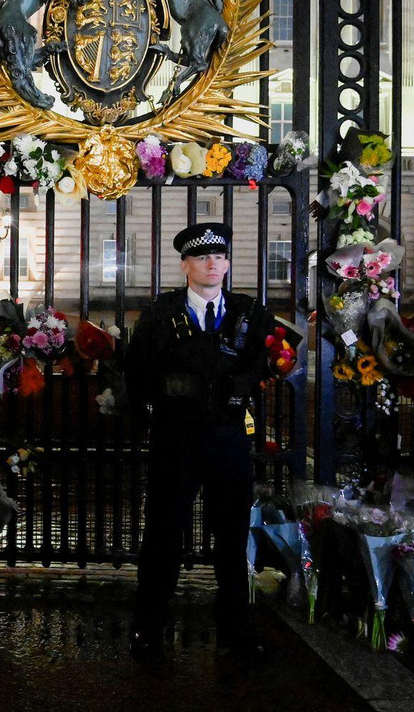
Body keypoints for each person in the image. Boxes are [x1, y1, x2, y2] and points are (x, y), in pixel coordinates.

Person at [126, 221, 274, 659]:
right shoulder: (161, 313)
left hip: (228, 437)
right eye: (203, 257)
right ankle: (149, 626)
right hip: (177, 437)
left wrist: (242, 385)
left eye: (221, 256)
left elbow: (263, 361)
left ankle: (234, 629)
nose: (214, 264)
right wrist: (151, 416)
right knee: (163, 535)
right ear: (185, 264)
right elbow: (138, 371)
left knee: (231, 537)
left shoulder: (249, 313)